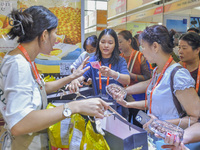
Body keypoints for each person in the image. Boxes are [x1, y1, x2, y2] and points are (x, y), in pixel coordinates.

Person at [0, 6, 109, 150]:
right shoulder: (18, 64)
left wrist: (71, 77)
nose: (56, 38)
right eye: (55, 33)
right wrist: (74, 107)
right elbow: (19, 124)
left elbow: (37, 89)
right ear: (44, 35)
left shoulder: (24, 60)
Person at [112, 25, 200, 131]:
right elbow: (155, 102)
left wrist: (160, 124)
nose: (142, 51)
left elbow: (195, 118)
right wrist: (128, 103)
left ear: (155, 46)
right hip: (157, 136)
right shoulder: (158, 71)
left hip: (172, 140)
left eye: (143, 47)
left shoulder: (178, 75)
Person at [68, 28, 130, 117]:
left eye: (110, 43)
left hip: (117, 107)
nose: (106, 46)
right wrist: (75, 80)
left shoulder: (120, 61)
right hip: (98, 107)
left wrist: (112, 73)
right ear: (98, 44)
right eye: (103, 42)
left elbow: (127, 80)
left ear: (115, 44)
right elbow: (82, 76)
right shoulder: (93, 60)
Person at [118, 30, 151, 126]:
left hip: (138, 98)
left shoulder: (140, 56)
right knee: (124, 125)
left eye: (120, 42)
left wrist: (131, 76)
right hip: (123, 96)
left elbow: (148, 77)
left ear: (129, 41)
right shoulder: (119, 58)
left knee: (140, 126)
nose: (118, 45)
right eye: (117, 42)